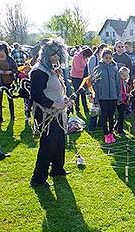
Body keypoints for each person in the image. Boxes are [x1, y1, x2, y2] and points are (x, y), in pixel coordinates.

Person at [29, 40, 73, 188]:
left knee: (60, 141)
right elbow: (36, 95)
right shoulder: (38, 71)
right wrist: (55, 104)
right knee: (48, 144)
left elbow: (57, 90)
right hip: (46, 113)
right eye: (53, 54)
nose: (56, 57)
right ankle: (38, 178)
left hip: (58, 112)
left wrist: (65, 101)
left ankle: (57, 169)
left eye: (58, 54)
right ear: (46, 54)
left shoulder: (52, 70)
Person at [92, 48, 121, 144]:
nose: (108, 60)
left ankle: (111, 133)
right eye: (106, 58)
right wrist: (96, 98)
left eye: (109, 58)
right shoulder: (98, 69)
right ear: (102, 58)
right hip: (102, 97)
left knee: (111, 116)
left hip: (113, 97)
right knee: (104, 116)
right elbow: (95, 85)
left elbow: (118, 84)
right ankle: (106, 134)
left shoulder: (115, 69)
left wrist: (119, 96)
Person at [0, 43, 18, 122]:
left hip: (9, 82)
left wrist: (9, 72)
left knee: (10, 100)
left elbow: (16, 70)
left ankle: (12, 117)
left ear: (2, 50)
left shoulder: (10, 59)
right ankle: (0, 118)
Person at [70, 47, 92, 114]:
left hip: (83, 78)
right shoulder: (76, 57)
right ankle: (77, 108)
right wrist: (85, 70)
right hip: (76, 77)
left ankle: (85, 108)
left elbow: (86, 66)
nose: (87, 58)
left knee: (83, 93)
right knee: (77, 94)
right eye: (86, 56)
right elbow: (77, 68)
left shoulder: (84, 58)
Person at [115, 67, 130, 136]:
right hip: (120, 101)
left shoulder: (125, 83)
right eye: (123, 75)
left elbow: (126, 90)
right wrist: (126, 94)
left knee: (121, 115)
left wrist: (128, 96)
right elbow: (119, 92)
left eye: (126, 75)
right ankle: (120, 130)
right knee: (121, 116)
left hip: (124, 101)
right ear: (120, 75)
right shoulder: (119, 83)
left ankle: (116, 127)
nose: (125, 77)